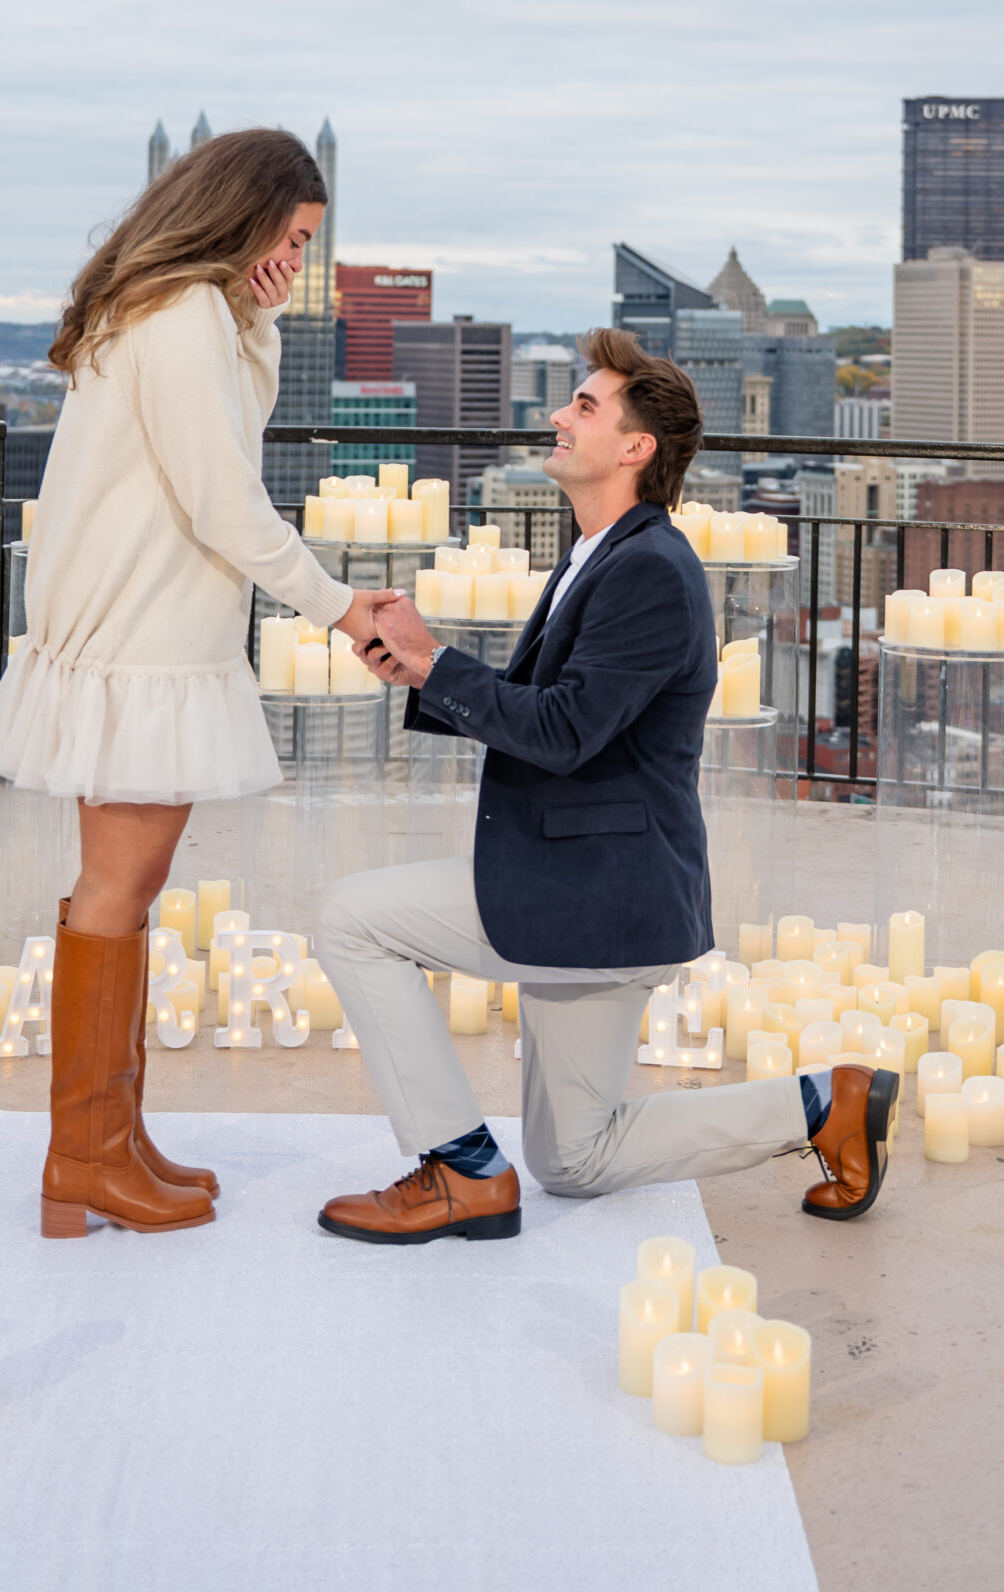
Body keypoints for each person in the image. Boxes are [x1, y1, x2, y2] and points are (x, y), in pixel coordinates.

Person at [313, 326, 898, 1245]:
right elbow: (562, 711)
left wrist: (436, 667)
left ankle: (458, 1168)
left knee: (352, 919)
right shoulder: (604, 553)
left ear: (635, 448)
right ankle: (825, 1105)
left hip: (593, 892)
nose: (558, 414)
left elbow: (563, 732)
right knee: (573, 1162)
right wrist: (426, 672)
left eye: (583, 405)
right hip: (596, 883)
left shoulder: (649, 571)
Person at [0, 128, 392, 1239]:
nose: (296, 263)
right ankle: (83, 1156)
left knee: (123, 884)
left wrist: (256, 317)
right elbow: (224, 497)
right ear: (244, 215)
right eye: (292, 239)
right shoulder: (181, 316)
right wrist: (339, 605)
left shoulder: (184, 308)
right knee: (119, 887)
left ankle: (109, 1138)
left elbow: (223, 445)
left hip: (143, 626)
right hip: (144, 634)